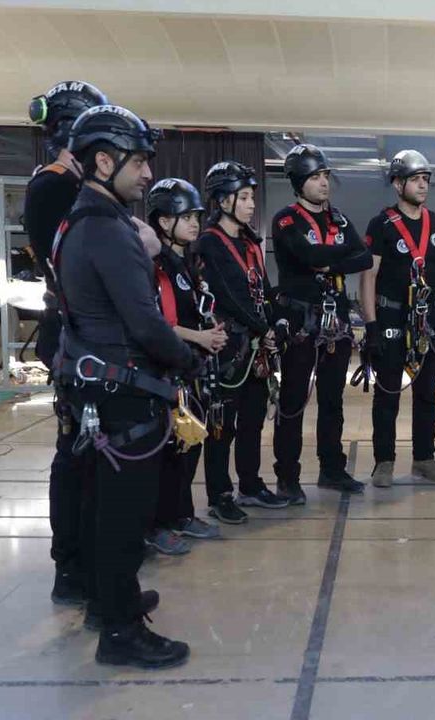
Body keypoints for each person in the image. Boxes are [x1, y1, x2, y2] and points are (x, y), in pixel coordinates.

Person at [53, 105, 196, 666]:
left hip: (97, 387)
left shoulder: (78, 222)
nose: (147, 173)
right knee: (122, 518)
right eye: (138, 162)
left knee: (101, 507)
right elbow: (145, 323)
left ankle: (107, 599)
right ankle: (120, 631)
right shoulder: (108, 232)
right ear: (103, 162)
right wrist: (187, 360)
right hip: (123, 393)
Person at [23, 79, 108, 607]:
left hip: (86, 331)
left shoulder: (69, 185)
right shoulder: (54, 186)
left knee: (93, 454)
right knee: (75, 453)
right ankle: (71, 565)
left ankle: (91, 556)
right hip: (74, 334)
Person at [271, 144, 372, 501]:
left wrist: (330, 264)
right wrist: (339, 255)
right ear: (299, 182)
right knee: (293, 401)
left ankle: (332, 469)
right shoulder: (286, 220)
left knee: (332, 400)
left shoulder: (339, 220)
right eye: (315, 177)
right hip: (300, 319)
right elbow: (308, 254)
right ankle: (288, 476)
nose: (324, 182)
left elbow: (364, 258)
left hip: (336, 321)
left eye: (325, 175)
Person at [194, 161, 291, 520]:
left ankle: (250, 484)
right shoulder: (209, 243)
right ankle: (219, 494)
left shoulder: (250, 242)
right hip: (229, 347)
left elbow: (261, 289)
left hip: (255, 347)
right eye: (245, 197)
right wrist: (263, 328)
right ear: (224, 201)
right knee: (222, 424)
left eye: (252, 197)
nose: (252, 205)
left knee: (253, 420)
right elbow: (228, 296)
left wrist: (276, 320)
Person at [360, 149, 435, 487]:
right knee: (388, 393)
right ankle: (384, 462)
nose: (423, 185)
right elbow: (369, 276)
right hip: (392, 319)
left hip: (429, 320)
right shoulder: (382, 225)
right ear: (398, 184)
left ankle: (424, 459)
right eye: (416, 179)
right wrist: (371, 325)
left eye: (426, 179)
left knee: (427, 394)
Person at [145, 178, 228, 554]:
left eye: (197, 216)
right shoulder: (156, 265)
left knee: (189, 444)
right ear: (164, 221)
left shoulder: (187, 263)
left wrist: (209, 333)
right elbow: (157, 321)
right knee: (168, 450)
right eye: (187, 217)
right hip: (168, 369)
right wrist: (200, 338)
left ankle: (181, 514)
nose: (195, 223)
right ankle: (157, 524)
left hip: (191, 367)